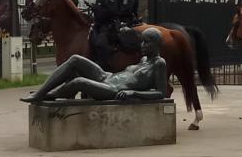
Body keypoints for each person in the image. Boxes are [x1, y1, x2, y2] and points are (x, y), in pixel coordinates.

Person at [21, 28, 167, 102]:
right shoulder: (143, 60)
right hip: (107, 77)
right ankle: (42, 93)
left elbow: (161, 93)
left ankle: (48, 95)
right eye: (142, 41)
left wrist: (134, 93)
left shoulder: (159, 64)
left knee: (79, 82)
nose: (142, 45)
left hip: (113, 89)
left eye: (146, 42)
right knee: (75, 59)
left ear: (156, 44)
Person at [90, 0, 123, 66]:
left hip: (110, 25)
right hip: (101, 24)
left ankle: (104, 66)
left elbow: (110, 11)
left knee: (100, 43)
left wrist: (96, 8)